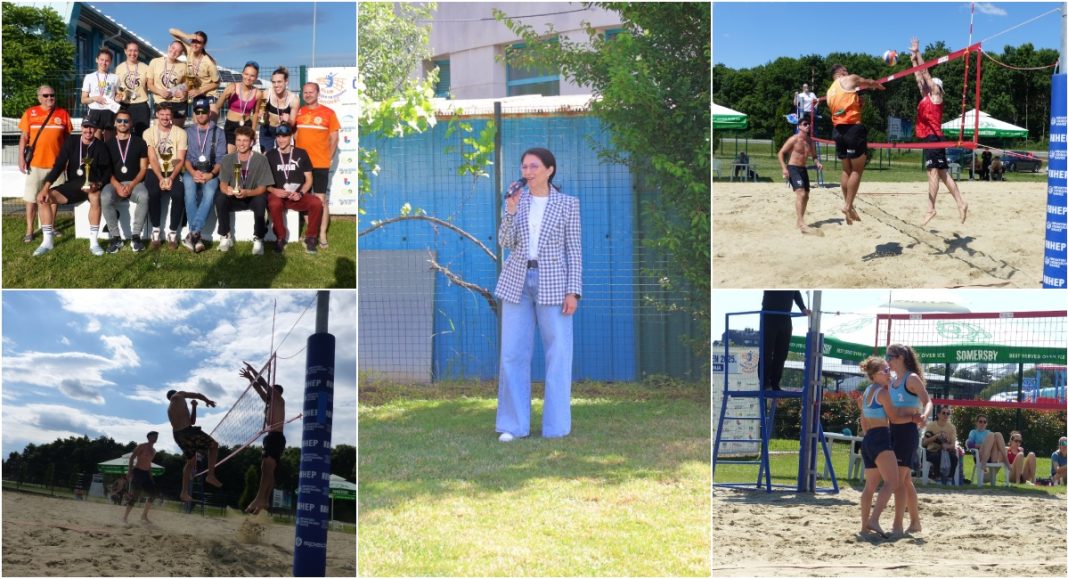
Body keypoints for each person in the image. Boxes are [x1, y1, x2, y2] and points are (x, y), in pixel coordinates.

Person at [495, 148, 582, 442]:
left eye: (534, 166)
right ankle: (514, 425)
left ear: (549, 169)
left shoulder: (568, 204)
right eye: (524, 166)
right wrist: (510, 211)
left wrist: (574, 291)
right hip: (517, 281)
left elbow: (574, 251)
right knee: (512, 354)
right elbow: (505, 242)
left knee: (558, 354)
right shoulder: (517, 201)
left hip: (555, 283)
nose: (527, 171)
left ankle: (556, 427)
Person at [908, 37, 968, 227]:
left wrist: (918, 53)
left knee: (932, 173)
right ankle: (961, 202)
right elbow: (919, 76)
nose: (926, 85)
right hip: (930, 138)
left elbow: (925, 72)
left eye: (931, 84)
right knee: (942, 174)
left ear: (937, 87)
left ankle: (930, 208)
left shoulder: (937, 95)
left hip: (934, 138)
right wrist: (913, 61)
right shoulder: (926, 96)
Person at [33, 119, 112, 257]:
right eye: (86, 127)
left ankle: (94, 242)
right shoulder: (72, 141)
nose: (88, 131)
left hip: (92, 186)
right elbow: (59, 165)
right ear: (81, 127)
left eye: (91, 128)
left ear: (96, 130)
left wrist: (98, 184)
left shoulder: (100, 146)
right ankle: (47, 241)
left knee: (95, 197)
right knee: (44, 198)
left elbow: (107, 171)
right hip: (74, 185)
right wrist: (46, 187)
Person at [826, 63, 884, 225]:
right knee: (857, 170)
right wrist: (877, 85)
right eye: (846, 70)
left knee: (846, 169)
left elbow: (843, 107)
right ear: (842, 72)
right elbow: (867, 82)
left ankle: (848, 205)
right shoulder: (849, 79)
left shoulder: (830, 91)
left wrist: (858, 104)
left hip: (838, 131)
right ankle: (848, 205)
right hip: (853, 129)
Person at [885, 343, 931, 535]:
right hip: (893, 430)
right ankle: (915, 522)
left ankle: (897, 525)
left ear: (901, 357)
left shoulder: (911, 379)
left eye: (890, 357)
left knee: (899, 479)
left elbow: (928, 401)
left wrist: (925, 416)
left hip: (908, 432)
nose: (887, 361)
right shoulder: (893, 380)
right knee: (905, 481)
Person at [19, 85, 73, 244]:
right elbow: (24, 138)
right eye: (46, 95)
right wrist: (21, 159)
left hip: (56, 165)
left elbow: (68, 140)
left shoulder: (63, 114)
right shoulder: (30, 113)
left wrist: (68, 160)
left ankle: (50, 226)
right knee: (31, 198)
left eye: (52, 95)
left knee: (53, 198)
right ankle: (29, 229)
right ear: (39, 98)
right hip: (35, 164)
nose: (50, 98)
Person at [294, 82, 340, 248]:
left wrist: (329, 156)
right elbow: (294, 133)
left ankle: (322, 234)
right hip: (301, 164)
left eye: (311, 92)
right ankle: (310, 232)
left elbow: (334, 138)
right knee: (304, 198)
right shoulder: (298, 112)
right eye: (305, 92)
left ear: (318, 93)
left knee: (321, 200)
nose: (307, 95)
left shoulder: (329, 113)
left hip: (320, 162)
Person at [265, 123, 323, 253]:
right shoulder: (270, 155)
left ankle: (311, 237)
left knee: (317, 203)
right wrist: (274, 190)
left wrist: (301, 194)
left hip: (297, 196)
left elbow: (309, 179)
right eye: (278, 136)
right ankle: (280, 237)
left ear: (290, 136)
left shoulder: (301, 153)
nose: (281, 140)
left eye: (284, 136)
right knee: (274, 204)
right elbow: (264, 183)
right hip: (278, 195)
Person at [856, 356, 897, 538]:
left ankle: (865, 526)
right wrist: (913, 418)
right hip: (880, 437)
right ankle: (874, 520)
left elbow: (863, 422)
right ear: (875, 375)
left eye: (889, 370)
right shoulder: (883, 393)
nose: (889, 374)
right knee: (892, 482)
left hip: (868, 439)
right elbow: (894, 418)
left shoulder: (866, 393)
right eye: (886, 371)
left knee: (870, 486)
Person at [216, 125, 274, 253]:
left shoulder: (261, 159)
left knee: (260, 200)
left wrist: (247, 192)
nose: (241, 144)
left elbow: (262, 187)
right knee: (220, 197)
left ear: (252, 142)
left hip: (252, 196)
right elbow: (223, 184)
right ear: (235, 141)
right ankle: (225, 235)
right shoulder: (227, 159)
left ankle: (259, 238)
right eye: (239, 140)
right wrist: (227, 190)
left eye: (245, 140)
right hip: (234, 198)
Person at [238, 362, 285, 514]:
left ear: (276, 393)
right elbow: (259, 388)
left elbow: (264, 384)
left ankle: (260, 498)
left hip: (276, 437)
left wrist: (253, 370)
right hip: (271, 437)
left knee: (267, 468)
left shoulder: (278, 400)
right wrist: (250, 377)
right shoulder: (269, 402)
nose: (268, 394)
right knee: (267, 469)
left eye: (271, 392)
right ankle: (264, 500)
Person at [101, 109, 150, 253]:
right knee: (105, 196)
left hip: (135, 183)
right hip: (114, 182)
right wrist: (117, 186)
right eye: (119, 121)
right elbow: (107, 171)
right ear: (115, 124)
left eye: (126, 121)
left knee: (144, 196)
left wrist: (132, 184)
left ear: (131, 123)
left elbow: (143, 169)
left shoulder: (140, 142)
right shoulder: (108, 144)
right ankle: (115, 237)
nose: (123, 124)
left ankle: (136, 236)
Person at [182, 98, 226, 253]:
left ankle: (193, 233)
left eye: (204, 111)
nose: (201, 115)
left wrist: (211, 174)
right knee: (189, 190)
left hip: (212, 171)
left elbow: (221, 159)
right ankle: (197, 236)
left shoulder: (218, 132)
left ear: (209, 112)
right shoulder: (187, 132)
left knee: (209, 192)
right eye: (197, 112)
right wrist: (193, 172)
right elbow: (185, 159)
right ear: (194, 113)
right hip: (192, 170)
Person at [143, 106, 188, 249]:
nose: (165, 117)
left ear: (172, 116)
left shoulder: (180, 133)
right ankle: (155, 231)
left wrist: (171, 177)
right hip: (154, 170)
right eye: (162, 114)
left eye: (168, 114)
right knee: (153, 193)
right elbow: (152, 158)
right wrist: (161, 178)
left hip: (173, 170)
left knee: (179, 194)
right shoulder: (148, 132)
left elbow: (180, 159)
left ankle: (173, 233)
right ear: (156, 114)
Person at [166, 389, 221, 502]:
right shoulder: (178, 395)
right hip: (187, 432)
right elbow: (197, 395)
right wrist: (208, 400)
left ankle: (184, 492)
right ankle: (210, 475)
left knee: (191, 462)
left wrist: (194, 407)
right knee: (214, 445)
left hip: (178, 435)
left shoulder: (173, 407)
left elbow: (192, 422)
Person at [778, 117, 824, 234]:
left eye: (809, 124)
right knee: (801, 193)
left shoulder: (810, 141)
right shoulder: (794, 139)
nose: (808, 126)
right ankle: (802, 222)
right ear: (799, 126)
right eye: (805, 124)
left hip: (803, 169)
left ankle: (799, 222)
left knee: (806, 196)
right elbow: (781, 153)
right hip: (793, 168)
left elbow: (814, 156)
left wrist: (817, 162)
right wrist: (784, 168)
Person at [759, 291, 811, 390]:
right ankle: (764, 382)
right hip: (769, 316)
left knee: (782, 353)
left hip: (785, 317)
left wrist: (803, 308)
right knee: (767, 352)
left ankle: (775, 383)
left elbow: (796, 292)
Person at [214, 61, 264, 154]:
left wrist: (253, 132)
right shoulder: (233, 87)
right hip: (231, 125)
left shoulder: (258, 93)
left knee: (244, 156)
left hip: (246, 125)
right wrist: (225, 94)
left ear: (256, 77)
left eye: (252, 76)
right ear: (242, 73)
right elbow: (218, 106)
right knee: (231, 156)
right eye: (246, 74)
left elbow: (256, 113)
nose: (248, 78)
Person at [167, 29, 220, 110]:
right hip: (195, 92)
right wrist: (187, 36)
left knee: (211, 121)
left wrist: (200, 90)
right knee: (170, 92)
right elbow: (171, 31)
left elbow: (217, 83)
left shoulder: (209, 63)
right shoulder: (189, 50)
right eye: (193, 41)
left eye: (198, 42)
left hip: (209, 93)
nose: (195, 44)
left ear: (203, 45)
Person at [147, 41, 189, 128]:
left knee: (177, 133)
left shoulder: (183, 66)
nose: (174, 51)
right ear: (169, 47)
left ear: (181, 54)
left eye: (177, 51)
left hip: (177, 103)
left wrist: (184, 93)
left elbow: (187, 85)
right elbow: (149, 84)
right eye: (173, 48)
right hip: (161, 102)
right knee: (159, 134)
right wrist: (160, 92)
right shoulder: (155, 62)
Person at [80, 48, 119, 141]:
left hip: (110, 111)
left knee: (110, 143)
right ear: (97, 60)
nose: (104, 63)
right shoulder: (89, 77)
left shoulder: (115, 77)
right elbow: (83, 99)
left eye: (107, 61)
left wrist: (118, 98)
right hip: (94, 112)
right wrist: (95, 98)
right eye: (101, 60)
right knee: (95, 142)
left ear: (110, 62)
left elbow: (118, 95)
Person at [115, 41, 152, 138]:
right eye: (130, 50)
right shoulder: (119, 68)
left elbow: (151, 85)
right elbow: (116, 89)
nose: (133, 53)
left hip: (141, 106)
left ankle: (142, 153)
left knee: (143, 136)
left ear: (138, 52)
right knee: (124, 135)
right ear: (125, 51)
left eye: (135, 51)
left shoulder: (145, 67)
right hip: (124, 106)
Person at [259, 67, 299, 153]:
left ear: (286, 82)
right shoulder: (266, 93)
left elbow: (292, 123)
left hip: (283, 131)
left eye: (279, 82)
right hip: (267, 130)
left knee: (281, 158)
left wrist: (288, 120)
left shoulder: (294, 99)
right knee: (266, 158)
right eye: (274, 82)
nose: (276, 85)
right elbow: (261, 110)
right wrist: (262, 114)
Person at [122, 431, 159, 523]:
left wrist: (151, 477)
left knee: (153, 494)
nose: (156, 438)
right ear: (149, 437)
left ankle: (144, 515)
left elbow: (149, 464)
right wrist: (130, 471)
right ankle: (125, 517)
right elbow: (132, 458)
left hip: (146, 474)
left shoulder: (154, 451)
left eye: (157, 436)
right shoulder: (141, 446)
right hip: (138, 472)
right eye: (154, 436)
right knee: (135, 495)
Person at [965, 414, 1010, 480]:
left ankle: (1005, 458)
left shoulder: (988, 432)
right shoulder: (973, 432)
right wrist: (984, 444)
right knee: (991, 435)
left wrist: (988, 444)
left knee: (998, 434)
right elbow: (969, 445)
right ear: (977, 423)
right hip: (979, 456)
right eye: (980, 421)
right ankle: (985, 461)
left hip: (991, 457)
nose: (982, 423)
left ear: (986, 424)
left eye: (984, 422)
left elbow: (995, 443)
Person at [922, 406, 959, 484]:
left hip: (946, 451)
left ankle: (949, 479)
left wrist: (946, 446)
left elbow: (953, 445)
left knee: (954, 458)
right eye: (944, 413)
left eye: (948, 413)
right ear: (938, 414)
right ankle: (938, 478)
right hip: (932, 451)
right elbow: (924, 443)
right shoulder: (931, 425)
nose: (946, 415)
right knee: (937, 457)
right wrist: (935, 437)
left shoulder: (952, 427)